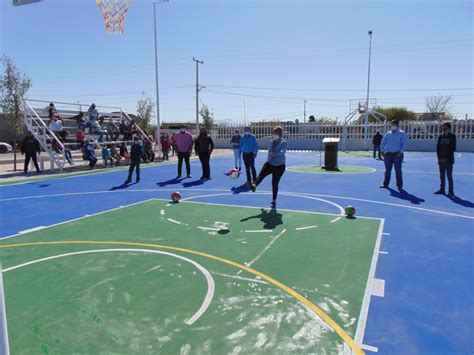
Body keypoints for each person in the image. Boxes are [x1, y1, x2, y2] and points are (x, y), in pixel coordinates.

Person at [250, 126, 287, 208]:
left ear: (280, 134)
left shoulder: (283, 142)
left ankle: (274, 200)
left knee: (274, 183)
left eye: (276, 133)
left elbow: (282, 151)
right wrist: (272, 154)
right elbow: (269, 150)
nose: (274, 135)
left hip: (279, 166)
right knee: (261, 175)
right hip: (270, 163)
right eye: (274, 133)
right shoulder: (271, 142)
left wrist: (276, 153)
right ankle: (254, 185)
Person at [380, 120, 407, 190]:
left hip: (397, 154)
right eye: (392, 125)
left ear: (398, 126)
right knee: (387, 171)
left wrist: (400, 152)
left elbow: (404, 144)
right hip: (388, 154)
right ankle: (385, 184)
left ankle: (399, 186)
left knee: (398, 171)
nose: (393, 126)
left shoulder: (402, 133)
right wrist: (382, 151)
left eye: (394, 124)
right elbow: (383, 142)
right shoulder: (388, 133)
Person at [434, 122, 456, 197]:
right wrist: (439, 158)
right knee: (442, 175)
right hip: (441, 160)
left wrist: (446, 158)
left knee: (449, 175)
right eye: (443, 128)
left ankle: (450, 191)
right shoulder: (441, 136)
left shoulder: (452, 136)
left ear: (449, 128)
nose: (444, 129)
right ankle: (442, 189)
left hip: (448, 160)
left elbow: (452, 148)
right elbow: (438, 148)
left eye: (445, 128)